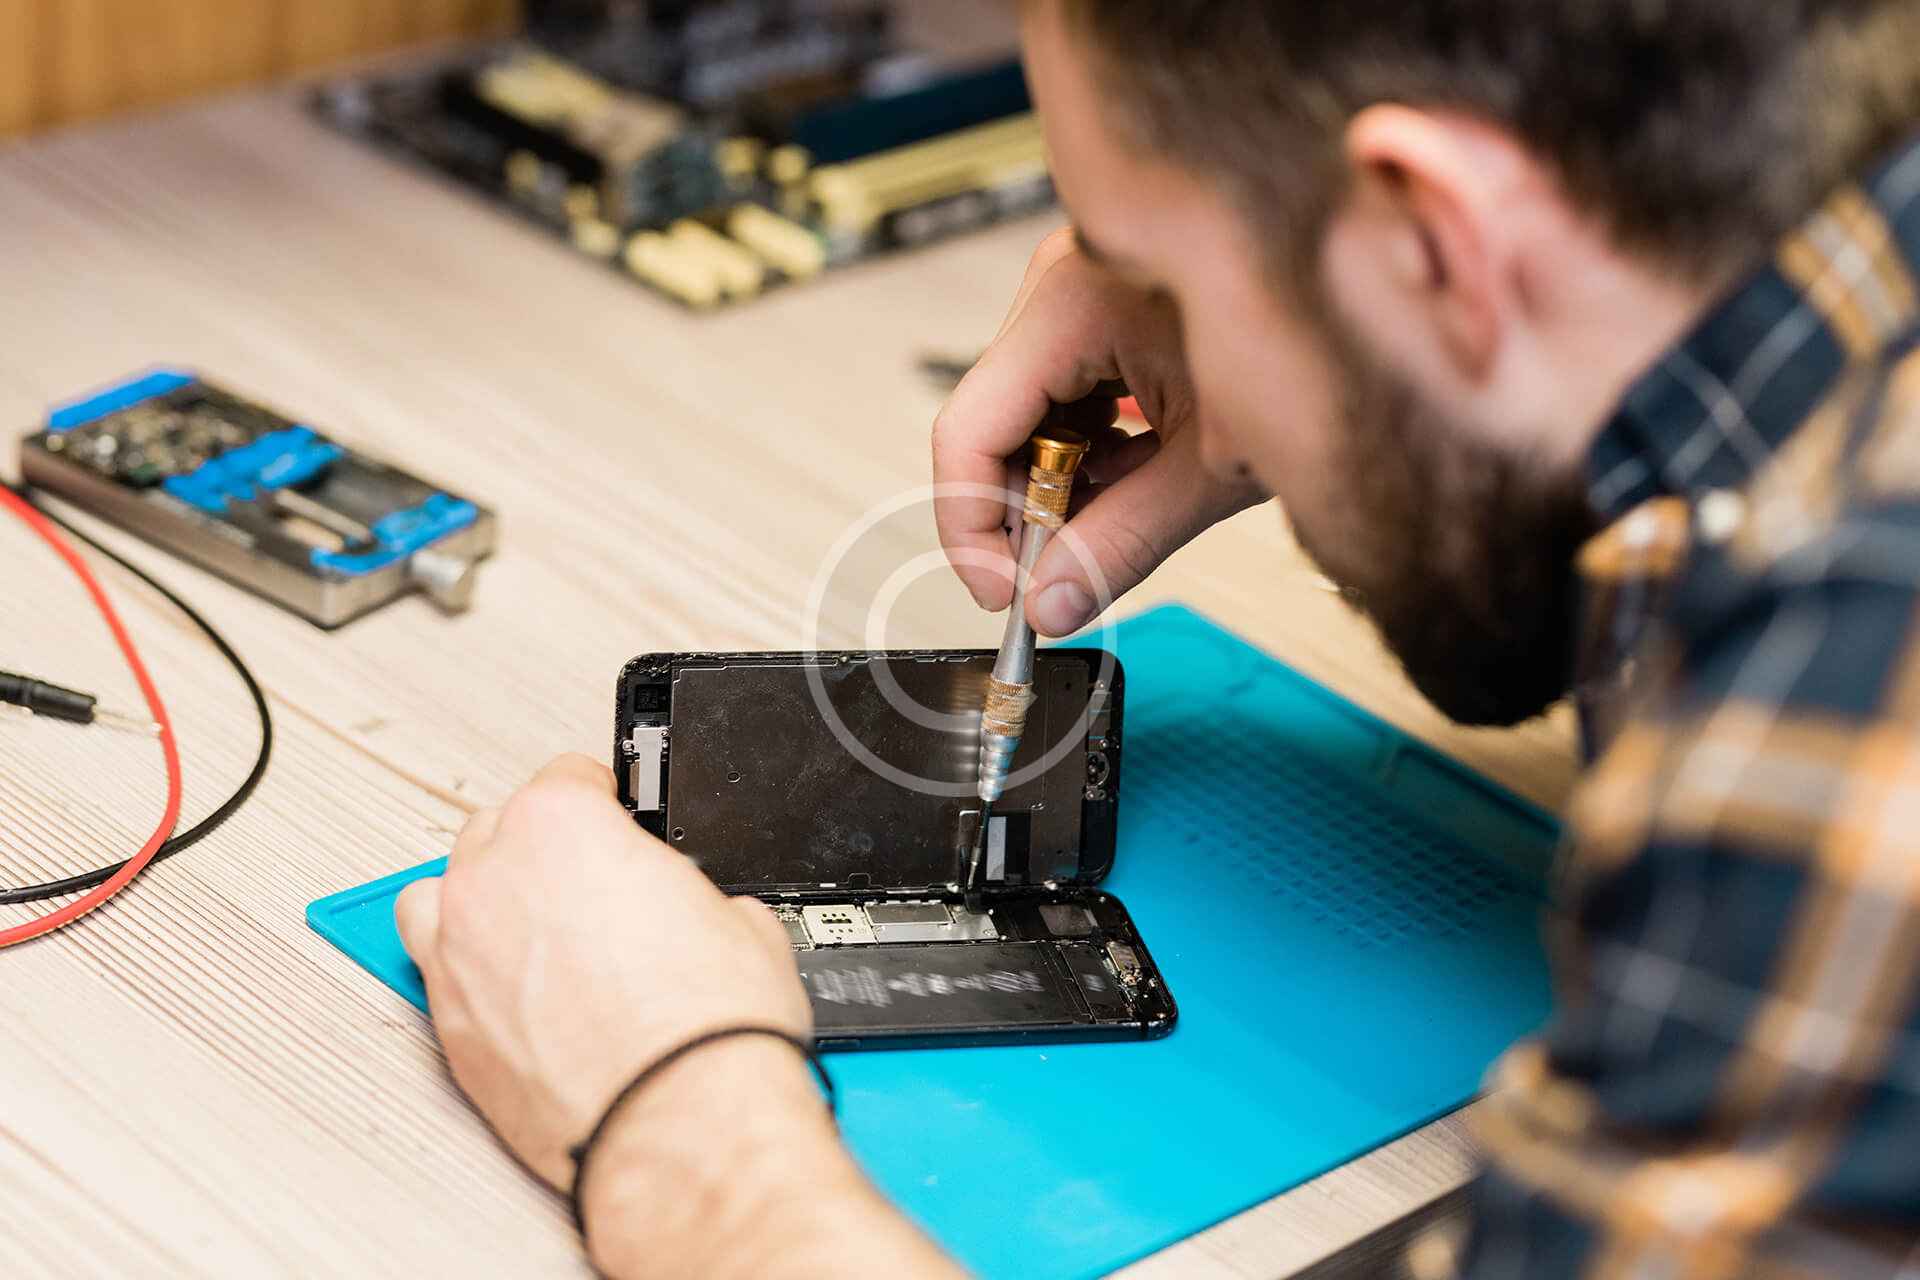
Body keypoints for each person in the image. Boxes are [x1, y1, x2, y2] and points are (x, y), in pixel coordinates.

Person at [394, 0, 1920, 1274]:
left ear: (1436, 242)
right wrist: (1301, 302)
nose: (1180, 391)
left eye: (1160, 280)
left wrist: (678, 1121)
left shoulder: (1849, 713)